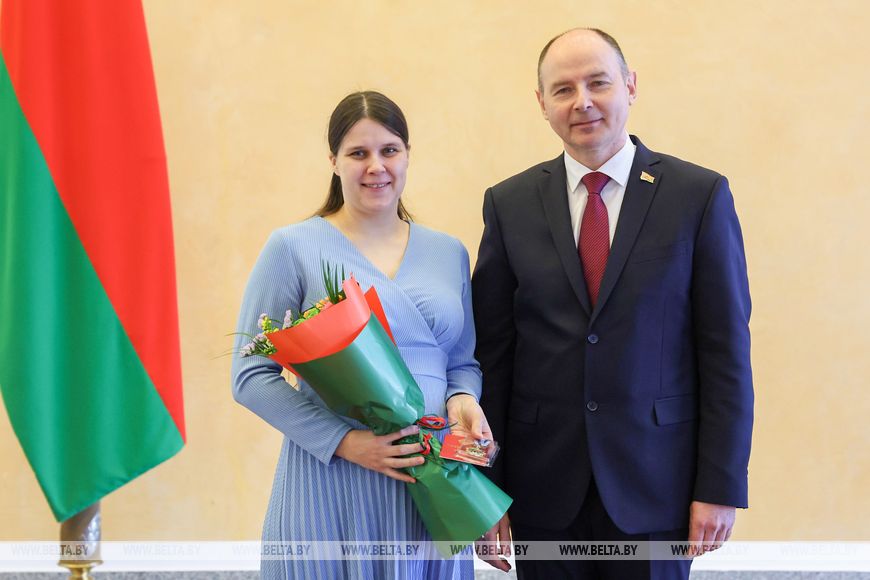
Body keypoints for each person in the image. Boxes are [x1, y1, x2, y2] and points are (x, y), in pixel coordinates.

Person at [472, 28, 754, 579]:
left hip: (659, 490)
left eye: (598, 83)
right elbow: (493, 358)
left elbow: (725, 354)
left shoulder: (697, 197)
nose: (582, 102)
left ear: (630, 86)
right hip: (541, 491)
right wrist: (485, 492)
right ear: (542, 104)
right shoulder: (509, 204)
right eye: (563, 89)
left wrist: (720, 485)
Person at [232, 91, 490, 579]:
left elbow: (461, 362)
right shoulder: (293, 247)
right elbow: (249, 375)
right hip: (331, 476)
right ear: (333, 161)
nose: (376, 166)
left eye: (389, 150)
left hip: (429, 481)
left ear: (408, 154)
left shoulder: (448, 252)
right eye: (358, 153)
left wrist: (464, 399)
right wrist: (345, 441)